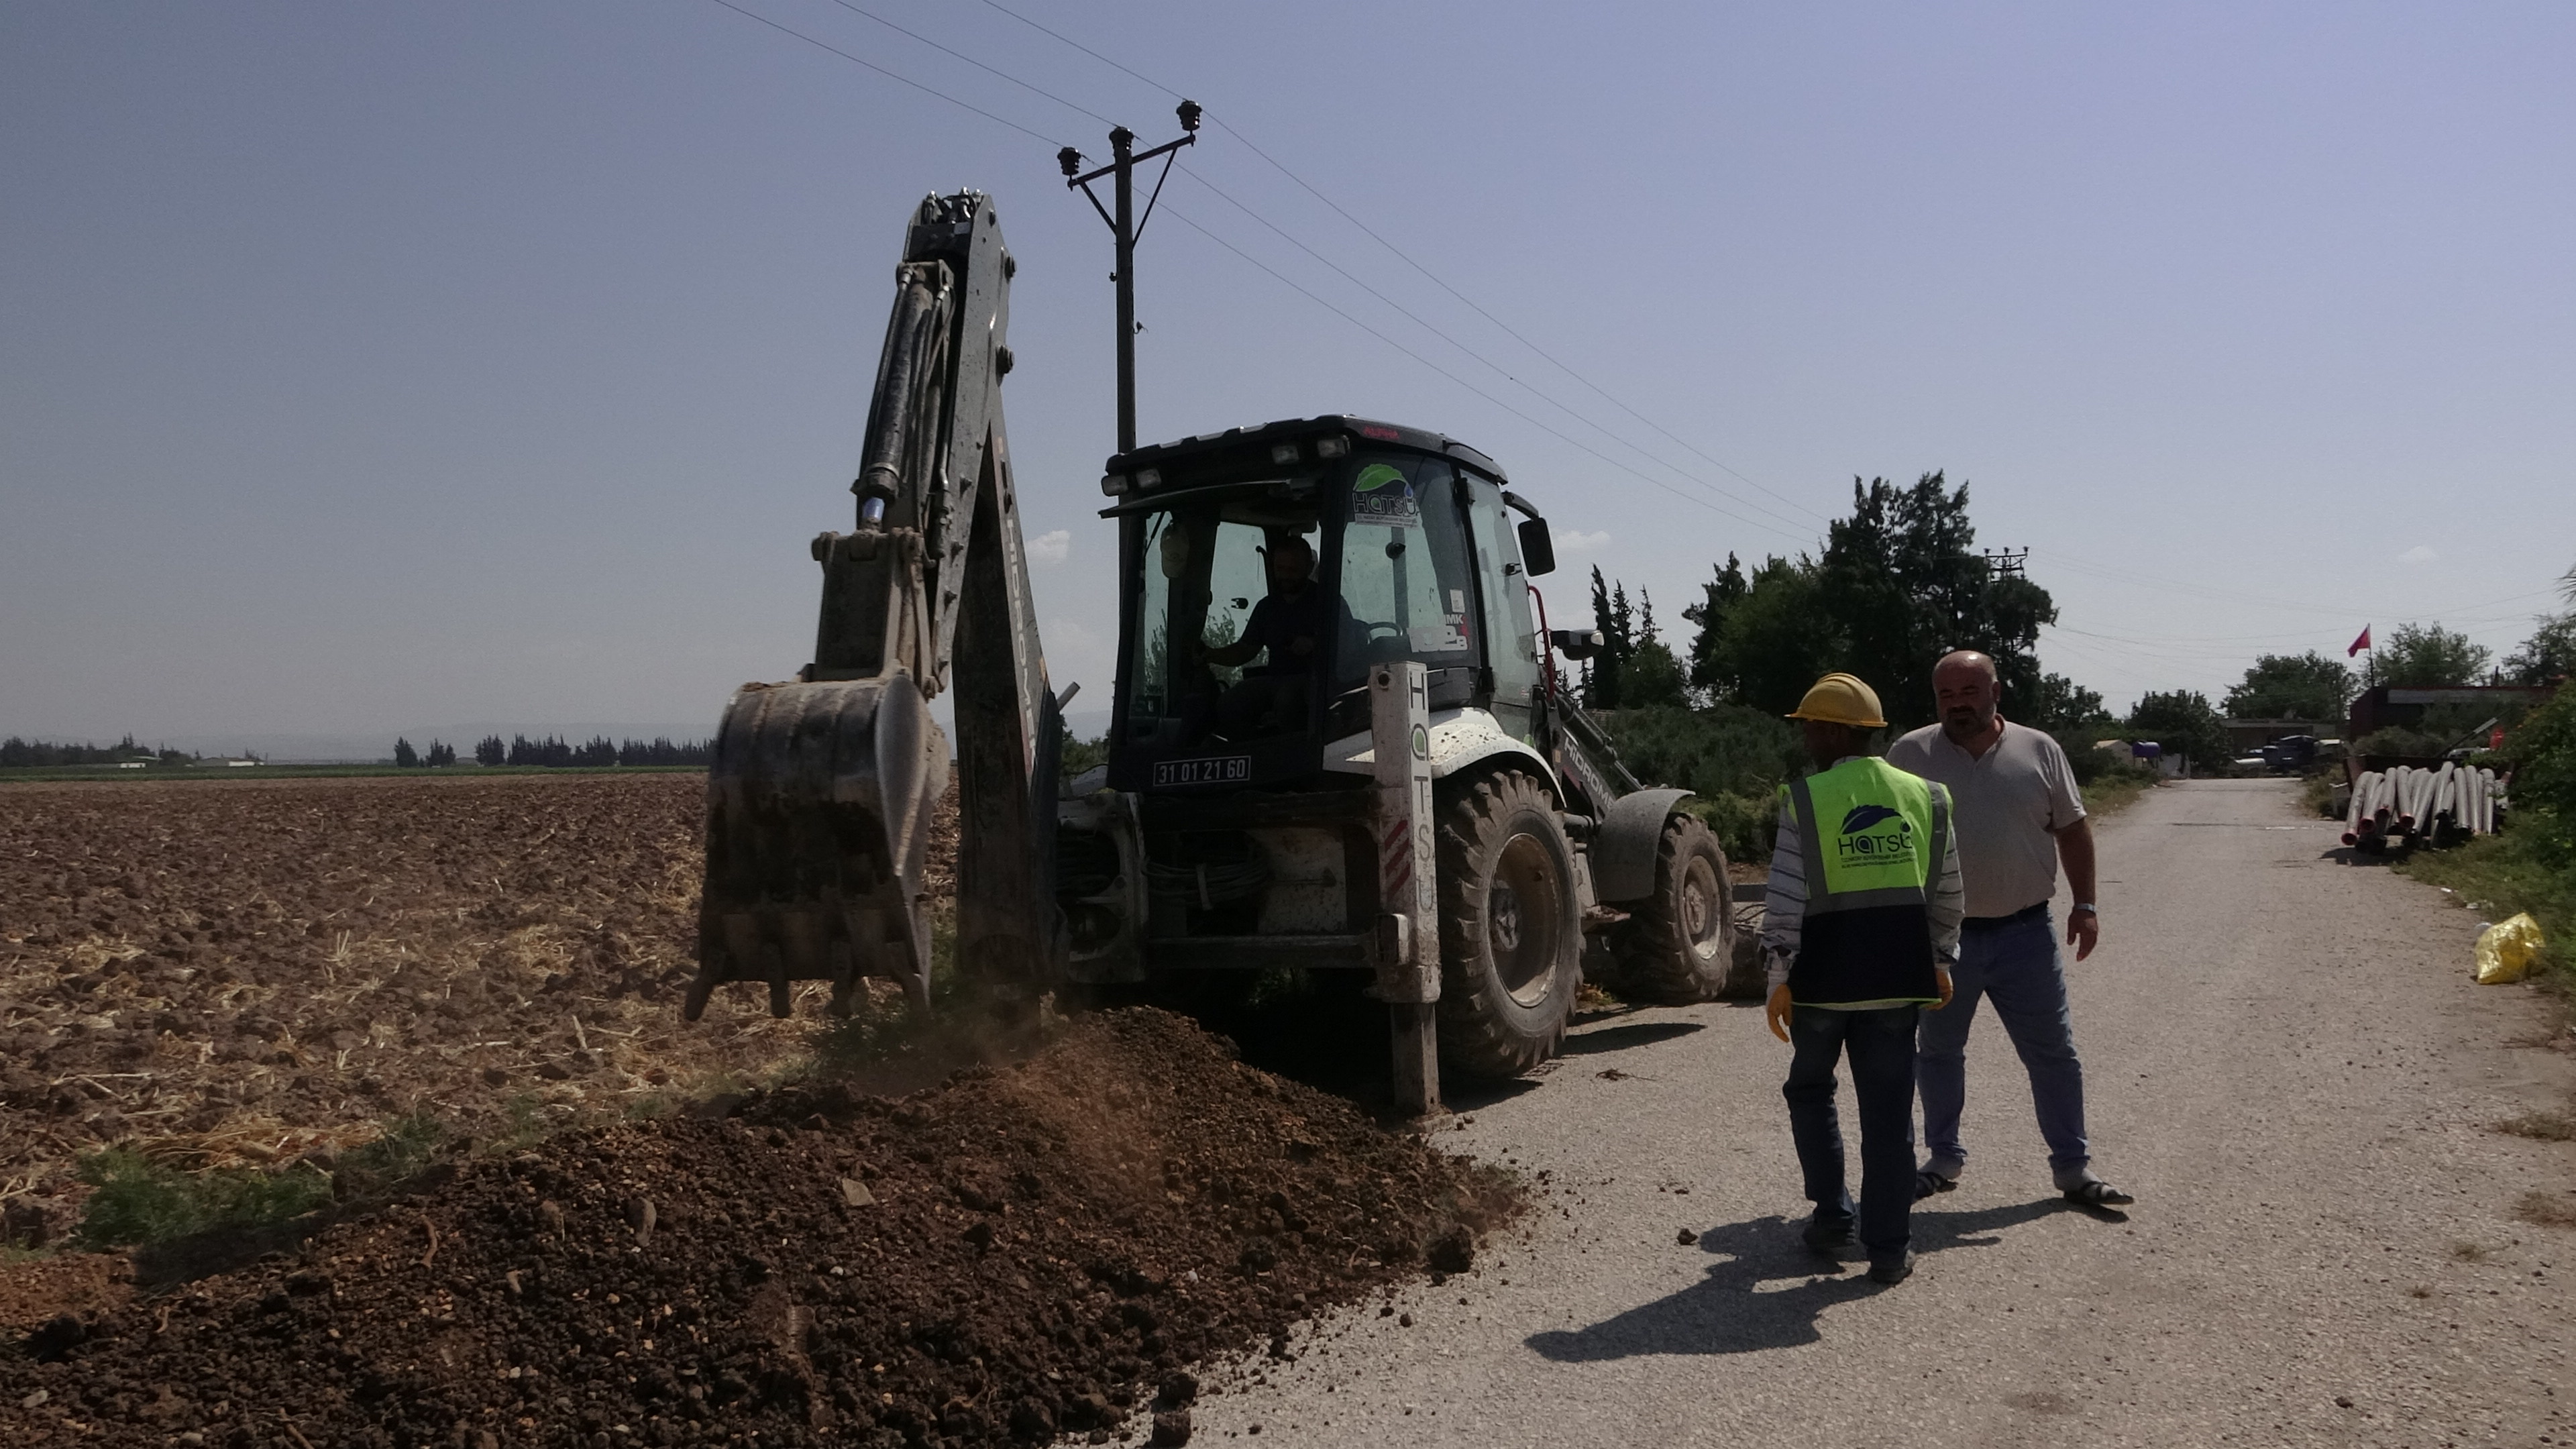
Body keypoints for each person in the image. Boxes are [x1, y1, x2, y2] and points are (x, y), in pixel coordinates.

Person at [1885, 649, 2133, 1209]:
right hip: (1942, 939)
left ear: (1997, 691)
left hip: (2026, 933)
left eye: (1969, 692)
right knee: (1939, 1052)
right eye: (1946, 695)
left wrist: (2086, 904)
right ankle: (1943, 1159)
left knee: (2054, 1054)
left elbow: (2072, 829)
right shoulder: (1909, 754)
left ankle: (2073, 1168)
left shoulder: (2038, 750)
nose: (1957, 704)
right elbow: (1886, 840)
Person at [1761, 672, 1962, 1285]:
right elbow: (1948, 893)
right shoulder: (1928, 797)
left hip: (1822, 985)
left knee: (1810, 1090)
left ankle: (1831, 1217)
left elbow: (1785, 900)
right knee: (1888, 1113)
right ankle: (1889, 1249)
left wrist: (1777, 975)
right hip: (1898, 984)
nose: (1804, 741)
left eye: (1808, 729)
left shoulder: (1805, 798)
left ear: (1829, 730)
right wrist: (1941, 959)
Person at [1198, 533, 1337, 739]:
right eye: (1280, 569)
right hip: (1275, 679)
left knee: (1287, 699)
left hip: (1318, 682)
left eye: (1292, 570)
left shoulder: (1328, 602)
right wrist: (1209, 655)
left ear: (1309, 568)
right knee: (1230, 702)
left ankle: (1293, 755)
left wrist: (1315, 644)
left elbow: (1348, 643)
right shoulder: (1267, 607)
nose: (1285, 576)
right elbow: (1245, 650)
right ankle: (1249, 756)